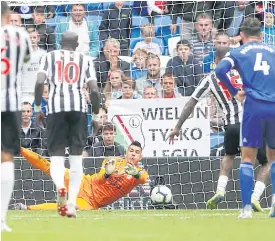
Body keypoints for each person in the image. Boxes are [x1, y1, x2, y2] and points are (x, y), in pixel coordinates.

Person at [167, 47, 269, 214]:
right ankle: (255, 197)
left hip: (232, 126)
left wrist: (177, 127)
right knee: (266, 162)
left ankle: (220, 190)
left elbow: (191, 102)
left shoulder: (211, 79)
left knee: (228, 156)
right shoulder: (246, 72)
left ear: (215, 61)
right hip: (255, 123)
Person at [33, 31, 101, 218]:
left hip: (56, 110)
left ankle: (60, 187)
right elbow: (94, 90)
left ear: (59, 42)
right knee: (76, 158)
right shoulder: (85, 59)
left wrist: (38, 107)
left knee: (56, 157)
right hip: (79, 111)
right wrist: (95, 115)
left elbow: (39, 81)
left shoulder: (49, 56)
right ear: (77, 43)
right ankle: (71, 203)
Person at [215, 18, 275, 218]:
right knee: (273, 158)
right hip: (274, 106)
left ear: (241, 36)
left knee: (247, 158)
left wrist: (234, 92)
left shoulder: (238, 52)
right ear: (261, 35)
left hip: (253, 106)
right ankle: (274, 204)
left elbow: (220, 70)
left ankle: (246, 208)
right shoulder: (273, 51)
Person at [17, 141, 148, 211]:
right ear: (126, 153)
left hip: (91, 202)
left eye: (137, 152)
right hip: (83, 183)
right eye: (131, 151)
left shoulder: (139, 172)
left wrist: (135, 173)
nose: (133, 154)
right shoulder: (113, 161)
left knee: (67, 206)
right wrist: (107, 173)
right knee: (51, 167)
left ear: (140, 157)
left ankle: (27, 208)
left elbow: (143, 179)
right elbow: (100, 178)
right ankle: (19, 149)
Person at [1, 1, 32, 232]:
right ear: (7, 13)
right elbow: (27, 60)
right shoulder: (20, 35)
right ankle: (1, 219)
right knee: (7, 157)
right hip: (10, 103)